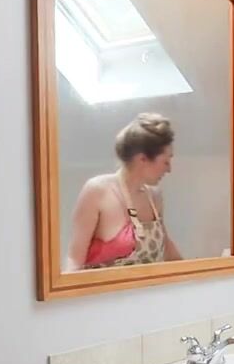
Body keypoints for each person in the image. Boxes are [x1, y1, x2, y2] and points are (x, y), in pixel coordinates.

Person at [64, 112, 184, 271]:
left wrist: (197, 276)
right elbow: (74, 259)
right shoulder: (97, 191)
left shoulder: (155, 197)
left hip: (149, 287)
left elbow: (167, 248)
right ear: (142, 159)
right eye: (166, 162)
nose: (169, 169)